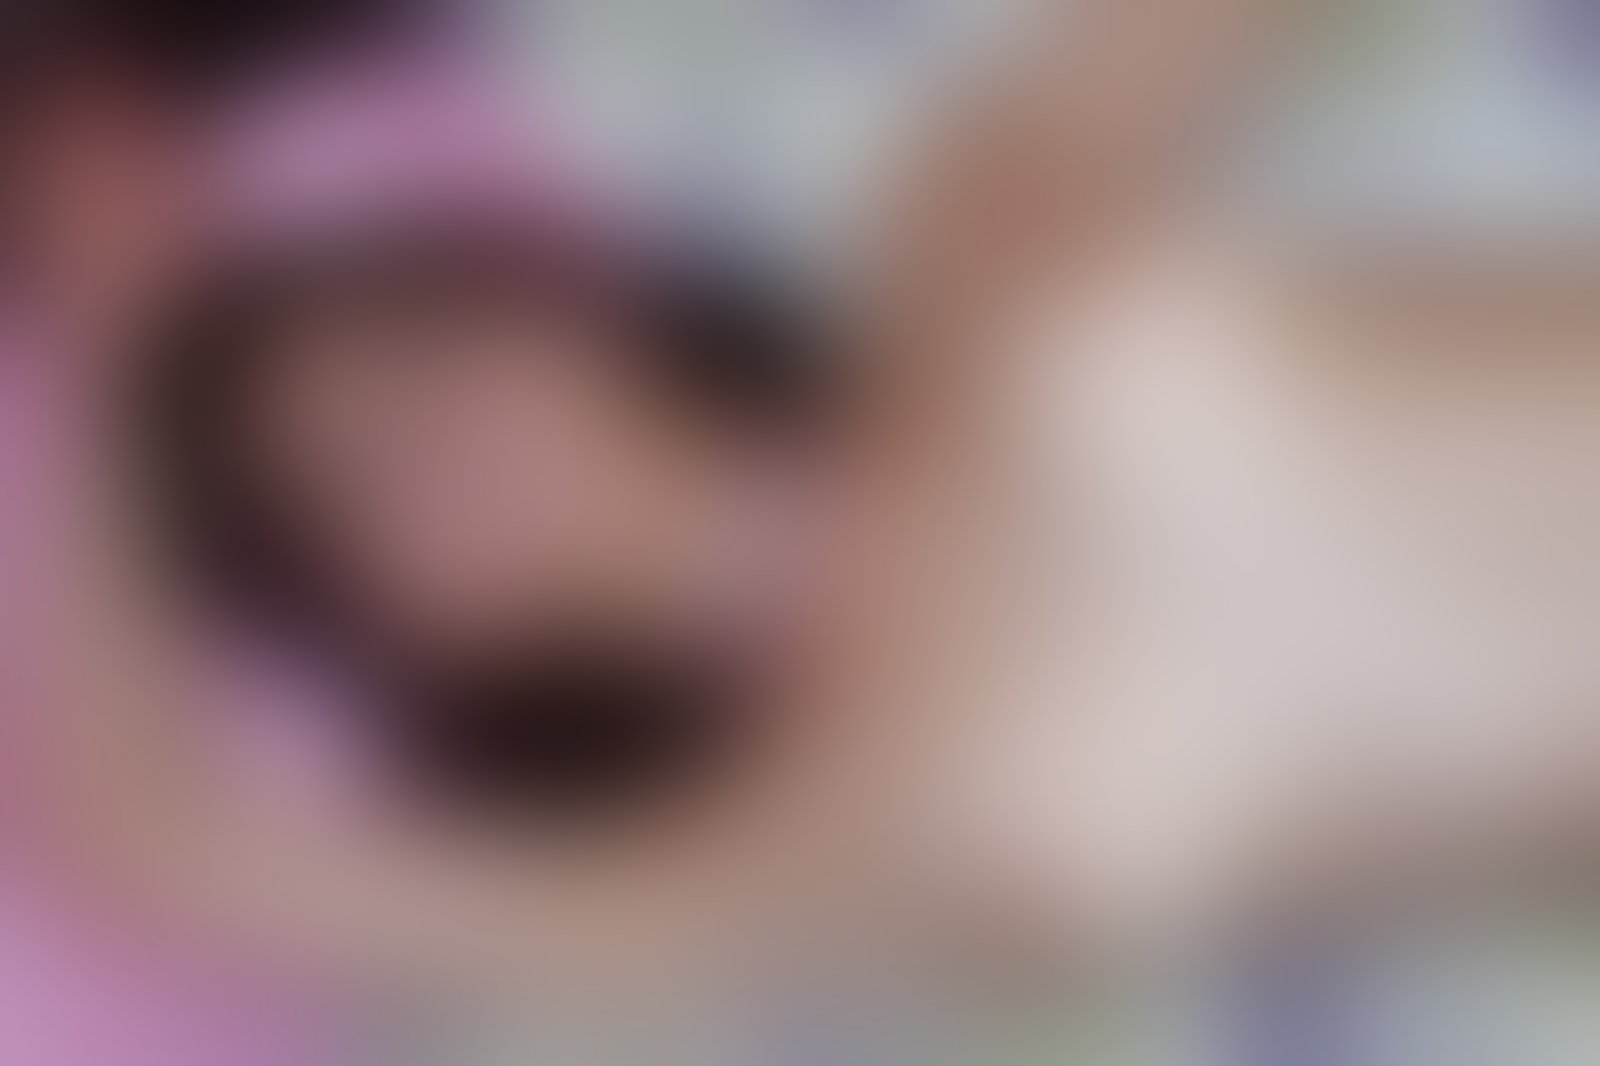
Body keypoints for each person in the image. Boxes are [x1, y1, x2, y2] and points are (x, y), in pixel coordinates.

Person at [24, 0, 1275, 1043]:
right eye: (357, 510)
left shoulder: (972, 282)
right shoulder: (727, 853)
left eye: (422, 365)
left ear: (568, 309)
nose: (422, 458)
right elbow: (163, 839)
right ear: (431, 660)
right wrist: (127, 359)